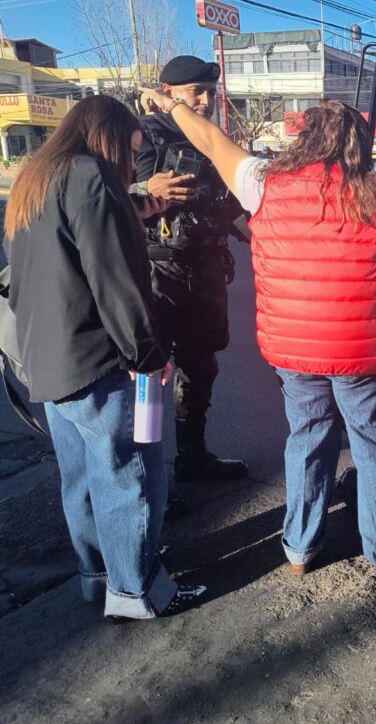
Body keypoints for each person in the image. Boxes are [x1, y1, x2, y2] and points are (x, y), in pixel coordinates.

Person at [138, 88, 376, 590]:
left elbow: (210, 140)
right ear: (361, 144)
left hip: (296, 350)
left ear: (305, 138)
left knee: (308, 440)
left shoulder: (263, 183)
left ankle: (300, 548)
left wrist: (170, 104)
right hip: (367, 354)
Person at [4, 95, 206, 620]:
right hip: (99, 356)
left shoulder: (36, 175)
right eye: (129, 150)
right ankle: (137, 590)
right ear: (108, 138)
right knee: (131, 473)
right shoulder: (91, 174)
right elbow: (113, 279)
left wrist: (134, 209)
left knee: (83, 476)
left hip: (47, 358)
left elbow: (62, 249)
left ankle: (98, 574)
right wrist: (147, 355)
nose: (128, 163)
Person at [133, 55, 248, 498]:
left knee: (202, 368)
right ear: (168, 93)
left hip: (205, 271)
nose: (205, 101)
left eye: (210, 93)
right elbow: (104, 194)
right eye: (195, 92)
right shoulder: (143, 136)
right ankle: (145, 485)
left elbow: (231, 206)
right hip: (157, 275)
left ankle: (192, 457)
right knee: (148, 376)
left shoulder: (213, 142)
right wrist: (145, 190)